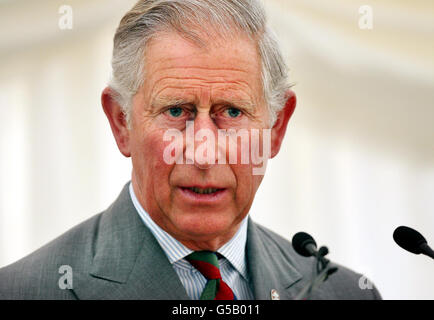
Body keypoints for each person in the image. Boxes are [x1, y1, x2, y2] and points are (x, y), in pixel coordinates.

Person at [0, 0, 381, 300]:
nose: (203, 153)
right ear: (121, 123)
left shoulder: (342, 293)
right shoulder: (24, 292)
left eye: (232, 112)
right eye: (176, 111)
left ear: (276, 128)